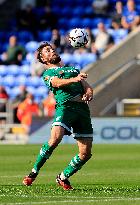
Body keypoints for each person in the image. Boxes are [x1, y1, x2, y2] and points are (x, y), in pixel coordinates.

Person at [23, 42, 93, 190]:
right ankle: (33, 172)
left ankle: (63, 177)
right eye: (48, 51)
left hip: (82, 110)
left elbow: (85, 84)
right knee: (55, 139)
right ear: (44, 59)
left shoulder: (72, 69)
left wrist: (88, 91)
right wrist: (74, 80)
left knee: (85, 153)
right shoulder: (48, 74)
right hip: (65, 108)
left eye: (52, 49)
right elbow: (57, 83)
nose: (52, 51)